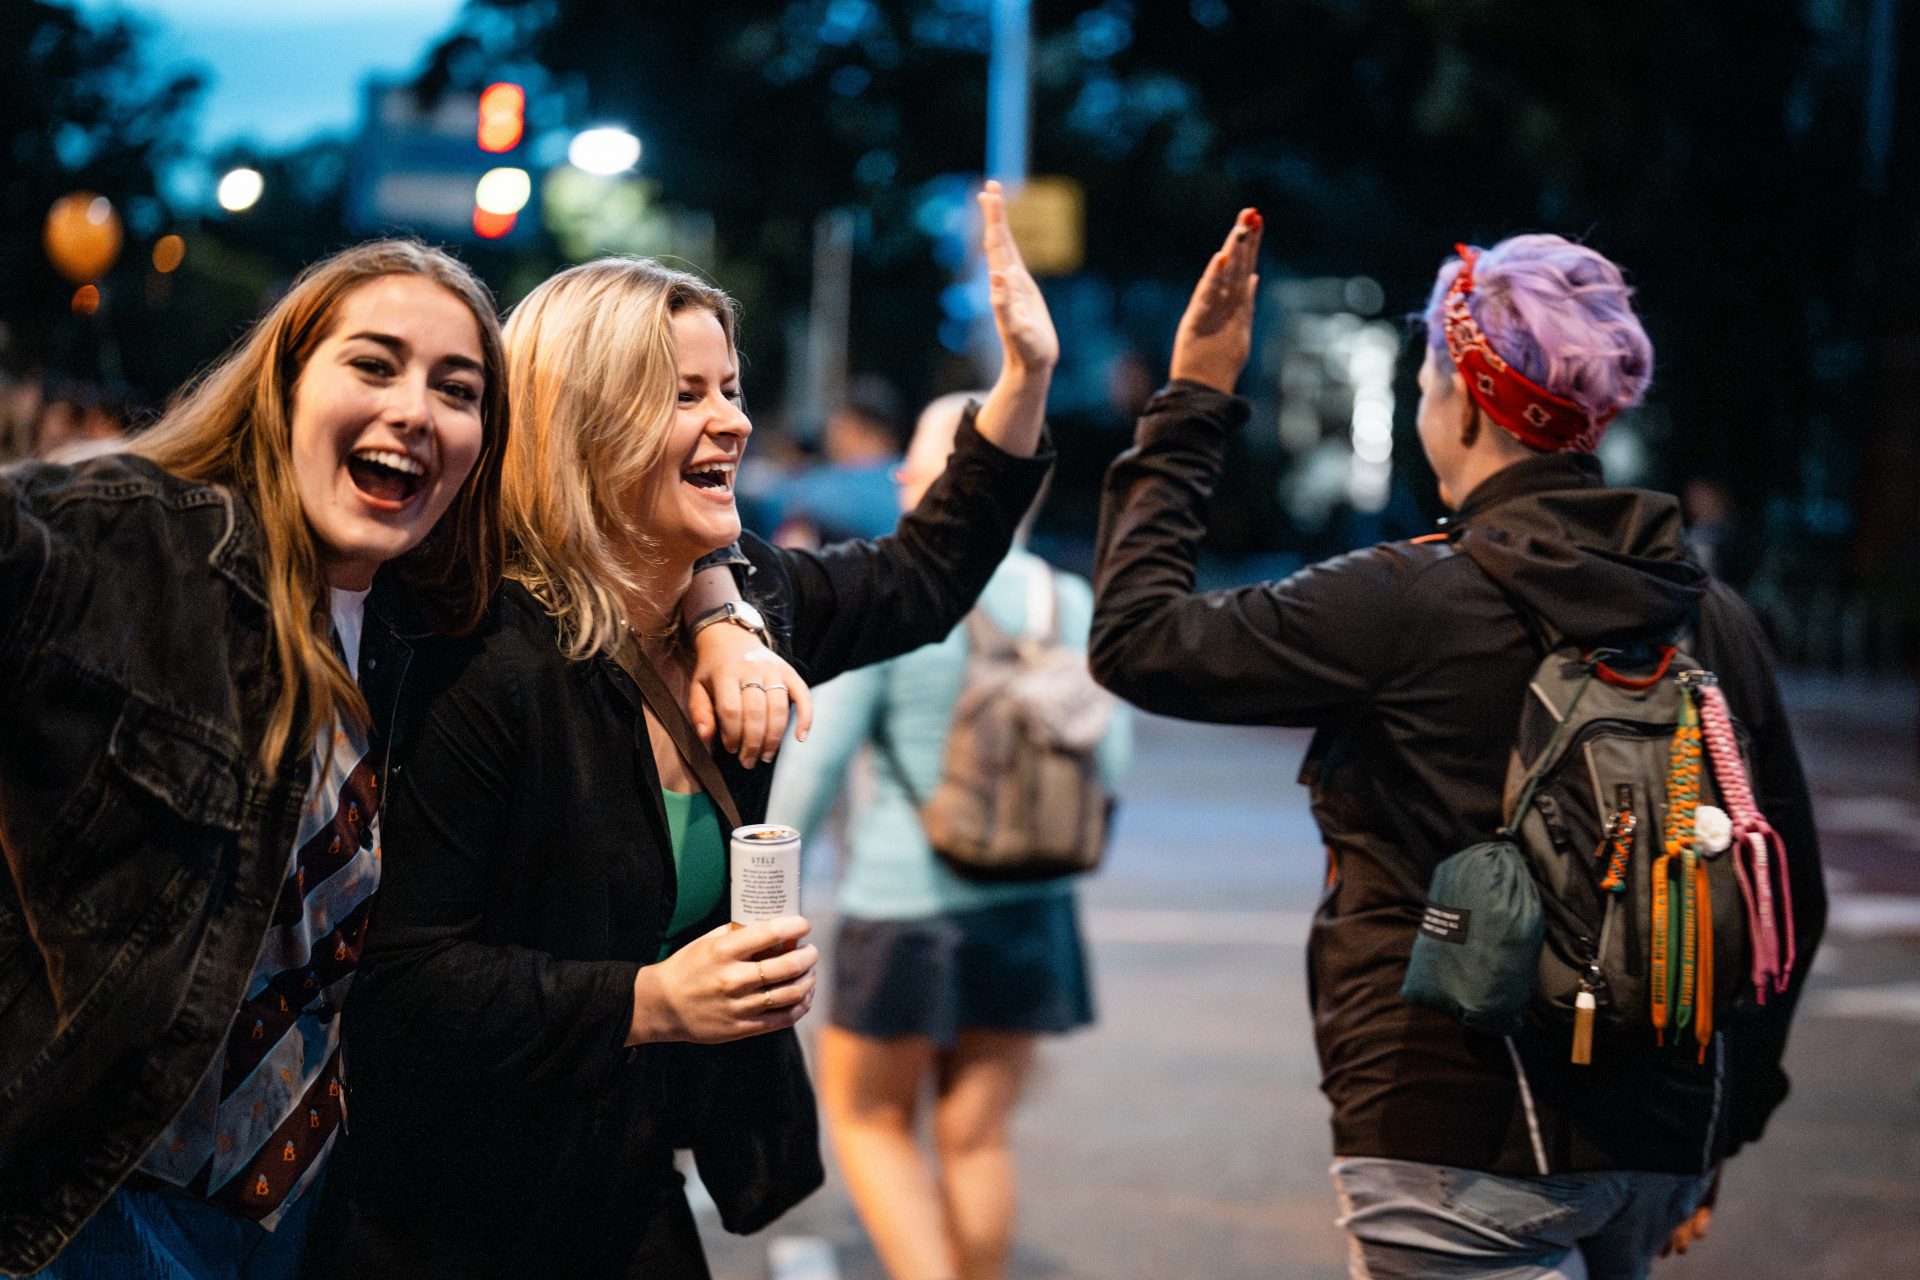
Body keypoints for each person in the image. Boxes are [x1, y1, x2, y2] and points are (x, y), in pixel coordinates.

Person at [323, 180, 1058, 1279]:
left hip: (627, 1183)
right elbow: (401, 980)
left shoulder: (744, 585)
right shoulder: (483, 651)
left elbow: (921, 576)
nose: (735, 420)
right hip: (454, 1211)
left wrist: (1025, 380)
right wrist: (650, 999)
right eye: (685, 394)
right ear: (588, 423)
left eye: (731, 386)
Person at [1089, 217, 1826, 1280]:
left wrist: (1194, 395)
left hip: (1448, 1137)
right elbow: (1786, 893)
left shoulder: (1405, 596)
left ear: (1464, 396)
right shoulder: (1712, 617)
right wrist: (1722, 1128)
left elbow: (1137, 639)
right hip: (1658, 1134)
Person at [0, 240, 509, 1279]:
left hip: (290, 1215)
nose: (416, 409)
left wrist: (719, 602)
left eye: (457, 389)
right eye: (373, 364)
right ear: (283, 385)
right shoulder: (138, 543)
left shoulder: (433, 624)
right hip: (89, 1210)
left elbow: (638, 542)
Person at [767, 391, 1130, 1280]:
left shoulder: (900, 600)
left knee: (870, 1122)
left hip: (904, 909)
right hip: (1033, 907)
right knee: (975, 1140)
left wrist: (757, 902)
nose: (899, 473)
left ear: (964, 483)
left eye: (920, 461)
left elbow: (814, 768)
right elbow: (1109, 763)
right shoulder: (1065, 599)